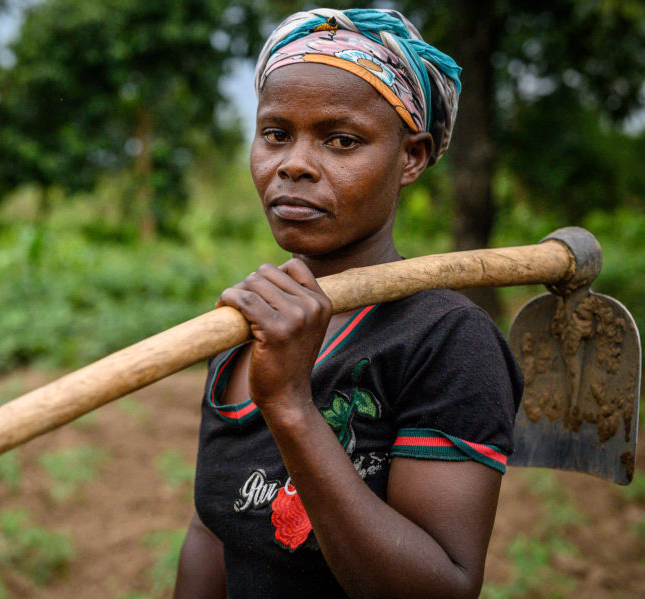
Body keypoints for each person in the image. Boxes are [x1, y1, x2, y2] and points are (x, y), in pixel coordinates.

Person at [173, 8, 523, 599]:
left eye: (341, 140)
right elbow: (214, 533)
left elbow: (442, 588)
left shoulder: (445, 339)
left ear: (410, 157)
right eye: (275, 134)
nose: (294, 164)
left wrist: (289, 405)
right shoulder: (247, 323)